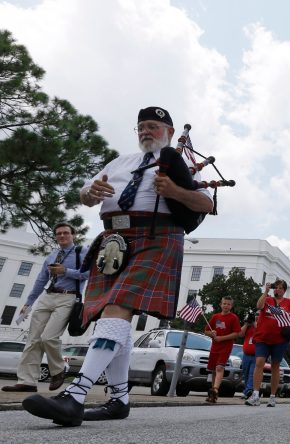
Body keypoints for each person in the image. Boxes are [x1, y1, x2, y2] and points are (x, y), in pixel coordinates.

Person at [21, 106, 213, 427]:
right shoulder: (119, 162)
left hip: (156, 237)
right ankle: (119, 399)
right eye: (140, 128)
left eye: (152, 126)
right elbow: (85, 194)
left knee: (118, 308)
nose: (145, 132)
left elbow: (206, 203)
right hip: (113, 241)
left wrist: (175, 191)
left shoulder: (179, 163)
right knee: (113, 315)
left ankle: (75, 396)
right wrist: (90, 193)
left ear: (168, 131)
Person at [2, 222, 89, 393]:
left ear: (73, 235)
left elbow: (88, 274)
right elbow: (41, 280)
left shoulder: (82, 252)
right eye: (58, 234)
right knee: (32, 340)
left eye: (66, 233)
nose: (62, 236)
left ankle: (58, 370)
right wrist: (28, 303)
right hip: (47, 296)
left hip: (68, 297)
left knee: (48, 337)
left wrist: (66, 271)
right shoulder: (52, 255)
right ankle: (27, 381)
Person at [245, 279, 290, 408]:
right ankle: (256, 395)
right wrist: (266, 291)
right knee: (259, 363)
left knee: (275, 366)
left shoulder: (289, 303)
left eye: (280, 288)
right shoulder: (267, 300)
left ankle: (272, 396)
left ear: (284, 290)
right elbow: (258, 306)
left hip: (279, 340)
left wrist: (285, 316)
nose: (277, 290)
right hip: (262, 337)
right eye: (276, 287)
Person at [203, 296, 241, 403]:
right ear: (221, 304)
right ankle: (213, 394)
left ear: (231, 306)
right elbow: (206, 331)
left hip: (226, 347)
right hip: (215, 346)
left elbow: (236, 333)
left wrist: (222, 338)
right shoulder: (215, 317)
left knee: (220, 367)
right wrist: (212, 333)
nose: (226, 306)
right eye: (224, 303)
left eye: (228, 304)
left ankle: (215, 390)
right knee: (214, 370)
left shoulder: (233, 318)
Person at [239, 311, 257, 399]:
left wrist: (254, 322)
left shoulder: (258, 325)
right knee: (245, 373)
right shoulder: (248, 327)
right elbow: (240, 334)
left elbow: (261, 330)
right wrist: (246, 324)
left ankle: (249, 390)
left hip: (256, 355)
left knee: (252, 374)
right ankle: (247, 391)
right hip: (246, 354)